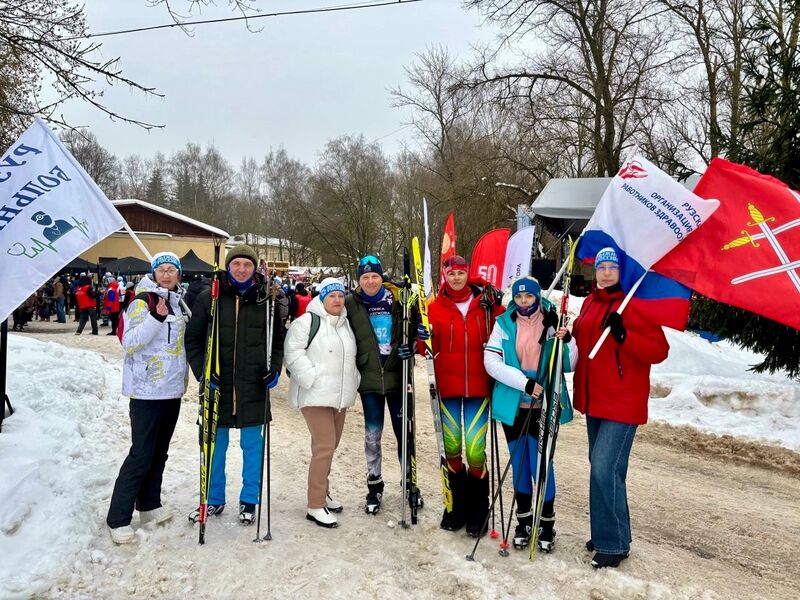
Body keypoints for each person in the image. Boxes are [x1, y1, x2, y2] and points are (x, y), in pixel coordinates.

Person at [570, 247, 669, 568]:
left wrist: (624, 335)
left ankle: (612, 544)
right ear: (594, 271)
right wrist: (566, 333)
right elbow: (583, 340)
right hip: (595, 398)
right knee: (607, 470)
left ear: (620, 271)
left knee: (603, 467)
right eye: (602, 267)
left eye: (613, 267)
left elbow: (659, 350)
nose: (607, 272)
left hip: (623, 402)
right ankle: (607, 533)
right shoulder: (588, 303)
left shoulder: (634, 303)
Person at [185, 244, 284, 526]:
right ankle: (214, 499)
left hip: (253, 387)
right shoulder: (209, 298)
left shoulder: (267, 300)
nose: (241, 269)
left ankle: (249, 499)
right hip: (218, 386)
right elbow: (192, 340)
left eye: (247, 265)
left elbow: (277, 342)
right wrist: (203, 373)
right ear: (228, 266)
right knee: (215, 446)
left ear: (255, 268)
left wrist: (274, 369)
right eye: (237, 264)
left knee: (253, 447)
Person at [484, 276, 576, 553]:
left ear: (537, 297)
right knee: (521, 464)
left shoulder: (553, 321)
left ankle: (546, 524)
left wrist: (567, 340)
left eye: (529, 297)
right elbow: (491, 361)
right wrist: (523, 383)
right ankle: (523, 523)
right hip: (514, 403)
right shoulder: (503, 323)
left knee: (542, 466)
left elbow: (571, 363)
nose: (524, 302)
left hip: (545, 404)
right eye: (519, 297)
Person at [106, 252, 188, 544]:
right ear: (153, 273)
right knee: (141, 454)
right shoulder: (141, 301)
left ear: (178, 273)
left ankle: (149, 505)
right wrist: (156, 318)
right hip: (146, 391)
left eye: (172, 269)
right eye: (161, 270)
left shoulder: (179, 302)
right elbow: (129, 342)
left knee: (159, 453)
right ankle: (118, 518)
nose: (167, 274)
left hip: (171, 389)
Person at [425, 255, 503, 536]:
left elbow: (510, 324)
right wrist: (418, 339)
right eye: (452, 273)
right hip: (446, 388)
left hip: (478, 388)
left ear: (468, 274)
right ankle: (455, 508)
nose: (456, 277)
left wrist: (500, 301)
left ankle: (478, 512)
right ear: (445, 275)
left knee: (474, 449)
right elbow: (424, 346)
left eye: (461, 272)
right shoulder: (434, 308)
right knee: (453, 446)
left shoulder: (485, 305)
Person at [344, 255, 425, 515]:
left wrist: (413, 345)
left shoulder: (399, 299)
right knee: (372, 436)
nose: (370, 281)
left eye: (374, 276)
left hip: (398, 376)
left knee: (405, 434)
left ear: (382, 278)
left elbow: (417, 328)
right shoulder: (350, 304)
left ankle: (410, 483)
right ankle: (374, 485)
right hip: (369, 380)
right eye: (365, 277)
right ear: (359, 280)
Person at [284, 277, 359, 528]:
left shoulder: (345, 324)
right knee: (324, 446)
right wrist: (310, 378)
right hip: (315, 395)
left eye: (340, 296)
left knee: (331, 445)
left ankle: (322, 492)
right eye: (331, 296)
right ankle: (315, 504)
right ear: (321, 298)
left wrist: (354, 379)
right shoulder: (306, 322)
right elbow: (292, 353)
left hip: (339, 396)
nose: (337, 300)